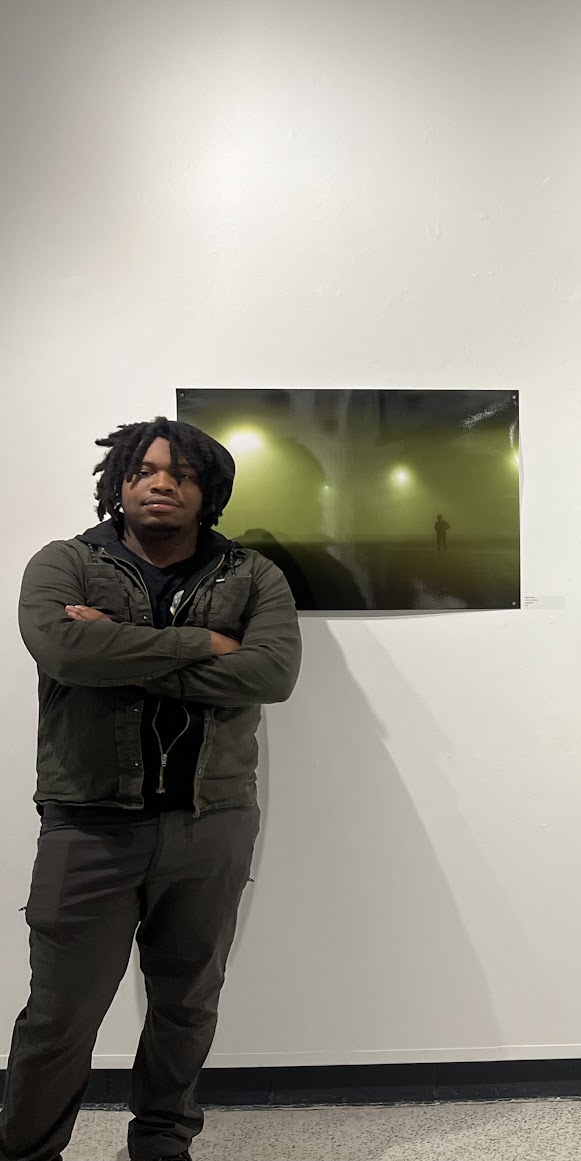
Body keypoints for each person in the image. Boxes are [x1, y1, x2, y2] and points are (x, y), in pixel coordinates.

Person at [0, 418, 302, 1161]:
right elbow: (64, 648)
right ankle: (26, 1150)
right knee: (60, 1013)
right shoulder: (64, 564)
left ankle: (163, 1143)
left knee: (187, 1001)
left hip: (213, 820)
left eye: (181, 474)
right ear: (119, 482)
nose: (161, 483)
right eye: (144, 470)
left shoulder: (253, 575)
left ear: (208, 490)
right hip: (87, 822)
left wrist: (115, 647)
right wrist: (205, 643)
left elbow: (271, 674)